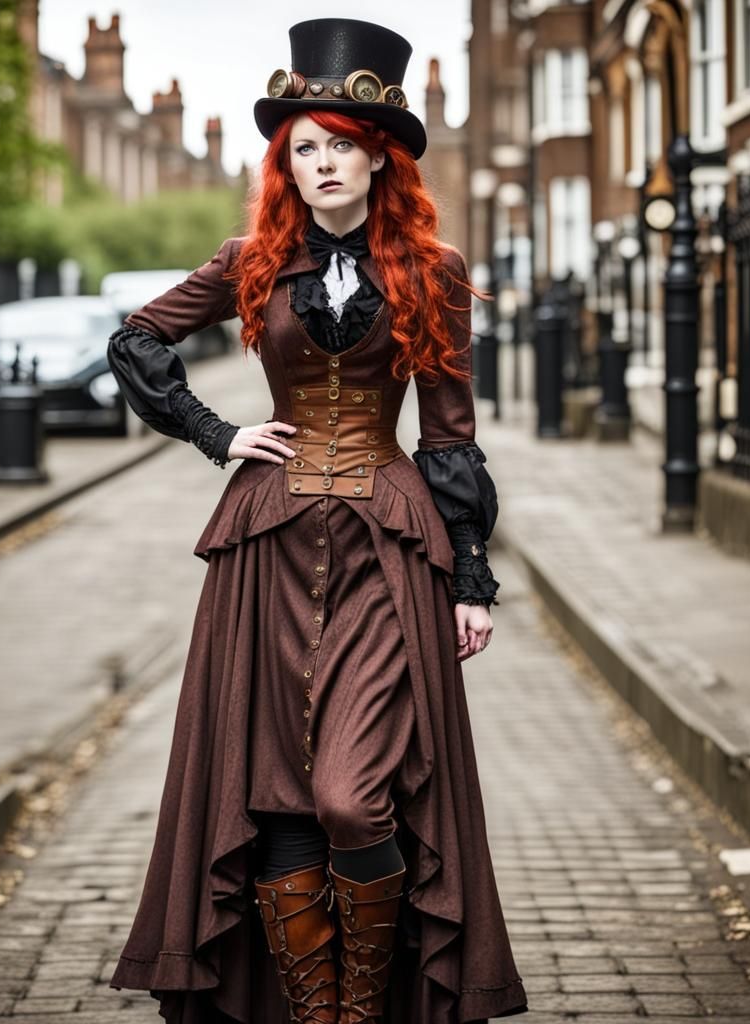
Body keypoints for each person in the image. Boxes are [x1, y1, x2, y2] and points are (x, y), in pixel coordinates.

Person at [105, 17, 528, 1024]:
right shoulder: (250, 260)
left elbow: (452, 435)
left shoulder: (434, 270)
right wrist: (218, 432)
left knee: (351, 793)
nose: (322, 162)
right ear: (283, 163)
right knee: (279, 797)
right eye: (303, 147)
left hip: (388, 550)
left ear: (380, 152)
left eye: (340, 142)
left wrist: (469, 574)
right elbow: (136, 340)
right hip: (268, 549)